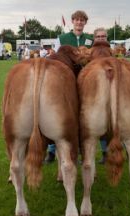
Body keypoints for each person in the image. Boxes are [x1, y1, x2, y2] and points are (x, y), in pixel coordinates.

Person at [45, 10, 93, 163]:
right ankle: (51, 150)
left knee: (83, 114)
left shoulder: (90, 39)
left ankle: (80, 148)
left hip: (86, 81)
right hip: (65, 81)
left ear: (85, 22)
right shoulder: (62, 38)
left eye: (82, 20)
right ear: (72, 21)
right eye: (77, 20)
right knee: (58, 112)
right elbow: (55, 60)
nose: (79, 22)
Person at [93, 27, 109, 164]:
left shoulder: (111, 51)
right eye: (98, 36)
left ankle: (126, 149)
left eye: (103, 36)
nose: (101, 38)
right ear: (94, 38)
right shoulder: (90, 52)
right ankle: (104, 153)